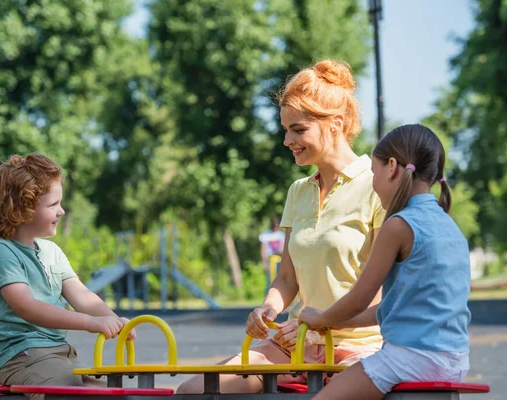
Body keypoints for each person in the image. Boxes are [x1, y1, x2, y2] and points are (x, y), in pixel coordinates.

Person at [177, 59, 385, 394]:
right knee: (194, 390)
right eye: (285, 130)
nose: (287, 140)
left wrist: (321, 324)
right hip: (296, 343)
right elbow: (287, 278)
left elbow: (384, 289)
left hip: (360, 349)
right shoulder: (299, 191)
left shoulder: (376, 186)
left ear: (335, 124)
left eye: (298, 129)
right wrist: (268, 309)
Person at [299, 124, 471, 399]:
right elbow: (389, 309)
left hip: (410, 359)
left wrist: (319, 317)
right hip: (454, 360)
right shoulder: (451, 227)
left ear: (392, 166)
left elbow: (359, 298)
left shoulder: (398, 226)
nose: (373, 183)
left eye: (374, 173)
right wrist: (332, 324)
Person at [0, 154, 137, 399]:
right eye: (53, 205)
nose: (61, 211)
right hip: (22, 357)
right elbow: (27, 307)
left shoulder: (52, 251)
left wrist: (113, 320)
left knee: (114, 395)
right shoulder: (1, 252)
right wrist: (90, 323)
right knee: (70, 396)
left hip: (62, 354)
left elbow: (82, 295)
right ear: (21, 209)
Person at [258, 216, 285, 288]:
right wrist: (264, 263)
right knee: (269, 281)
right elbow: (263, 250)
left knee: (282, 280)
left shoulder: (281, 235)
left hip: (280, 260)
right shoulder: (266, 235)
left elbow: (283, 249)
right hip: (270, 261)